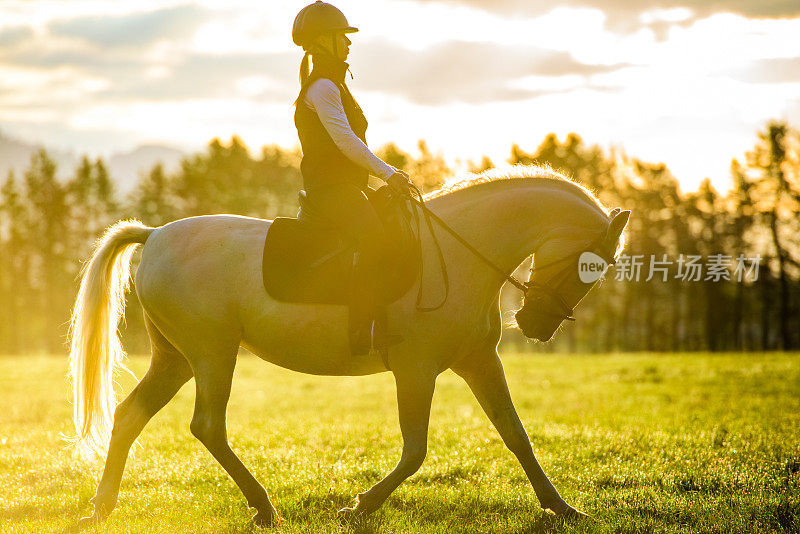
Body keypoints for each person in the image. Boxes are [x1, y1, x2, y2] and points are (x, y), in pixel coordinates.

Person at [292, 1, 410, 356]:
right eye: (342, 37)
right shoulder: (323, 88)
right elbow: (346, 142)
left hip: (348, 188)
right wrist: (388, 174)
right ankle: (362, 331)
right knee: (375, 240)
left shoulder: (335, 85)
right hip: (331, 191)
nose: (349, 43)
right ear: (323, 42)